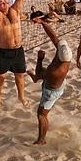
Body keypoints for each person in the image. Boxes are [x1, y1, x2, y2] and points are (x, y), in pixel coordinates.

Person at [25, 11, 72, 145]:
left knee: (41, 114)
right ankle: (33, 78)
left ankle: (41, 140)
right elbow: (54, 36)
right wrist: (42, 23)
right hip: (56, 84)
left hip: (52, 90)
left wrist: (40, 59)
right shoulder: (64, 55)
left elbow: (40, 73)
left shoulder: (55, 71)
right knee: (40, 79)